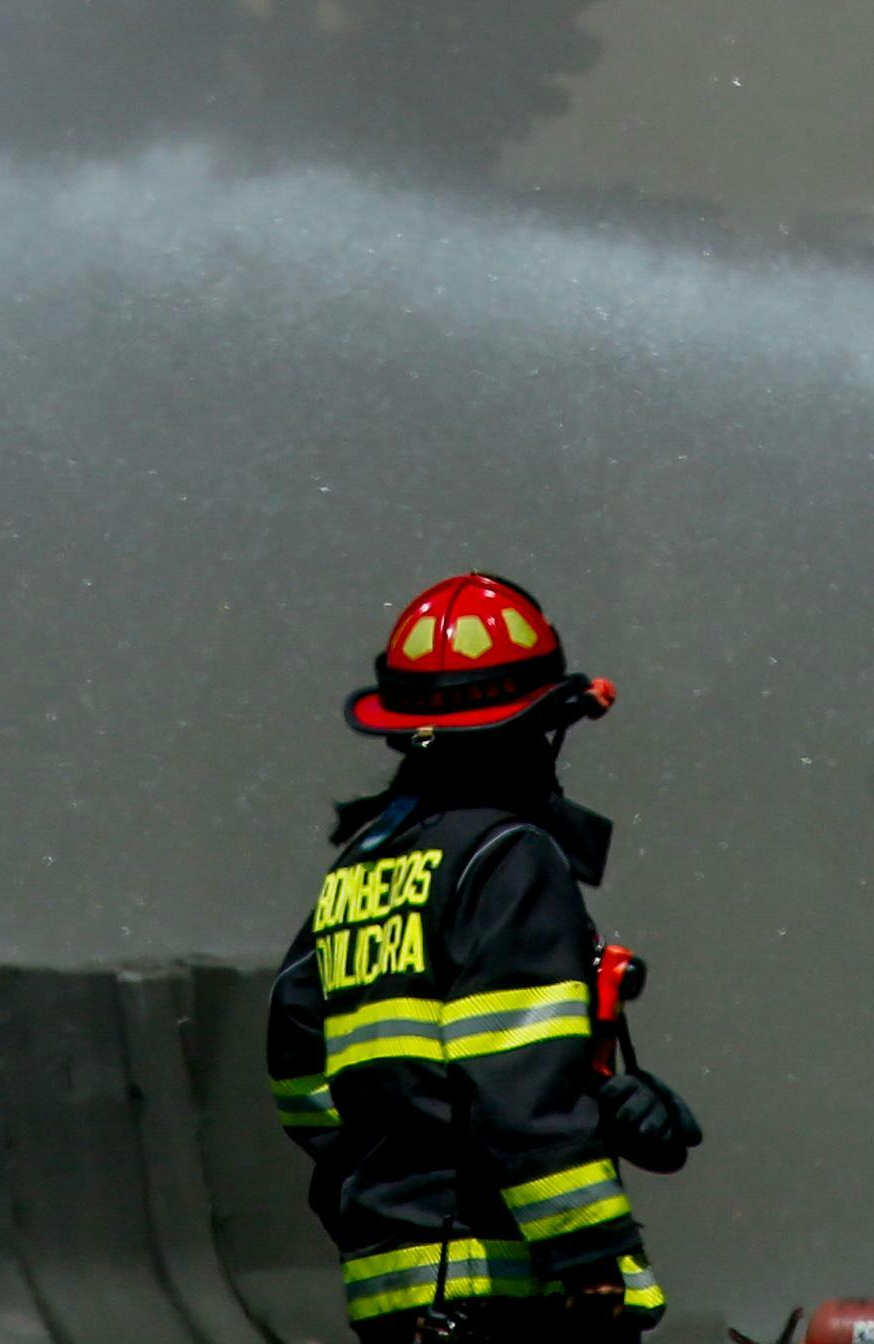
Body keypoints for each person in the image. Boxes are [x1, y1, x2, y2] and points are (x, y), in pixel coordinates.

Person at [261, 573, 696, 1344]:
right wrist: (588, 1253)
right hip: (510, 1287)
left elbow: (301, 1070)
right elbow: (514, 1073)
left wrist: (394, 1178)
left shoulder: (358, 872)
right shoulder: (510, 859)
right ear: (537, 727)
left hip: (397, 1287)